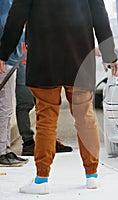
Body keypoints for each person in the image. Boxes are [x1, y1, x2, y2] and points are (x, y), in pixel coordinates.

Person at [0, 0, 118, 194]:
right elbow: (100, 15)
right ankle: (92, 176)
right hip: (79, 57)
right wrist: (109, 54)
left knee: (46, 119)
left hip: (44, 57)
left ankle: (41, 180)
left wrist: (3, 53)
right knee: (85, 118)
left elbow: (16, 15)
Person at [16, 31, 73, 156]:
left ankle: (49, 141)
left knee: (46, 105)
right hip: (23, 66)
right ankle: (28, 143)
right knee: (25, 105)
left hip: (43, 67)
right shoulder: (17, 21)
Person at [0, 0, 28, 167]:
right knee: (5, 107)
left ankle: (5, 149)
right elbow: (7, 25)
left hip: (11, 59)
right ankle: (2, 152)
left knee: (6, 107)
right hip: (6, 61)